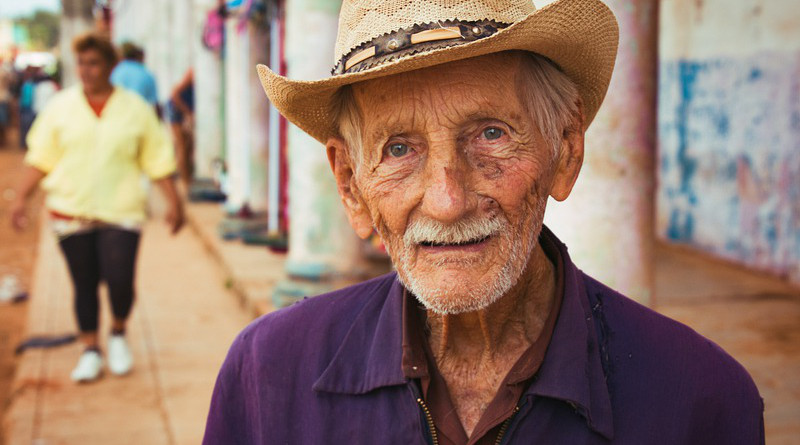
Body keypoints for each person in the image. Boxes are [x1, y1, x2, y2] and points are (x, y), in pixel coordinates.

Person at [204, 0, 765, 443]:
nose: (448, 201)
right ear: (350, 184)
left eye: (491, 134)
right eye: (399, 148)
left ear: (565, 153)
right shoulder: (268, 375)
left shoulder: (701, 401)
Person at [10, 32, 184, 383]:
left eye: (94, 63)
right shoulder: (60, 108)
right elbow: (41, 157)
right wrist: (20, 198)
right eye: (82, 64)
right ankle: (91, 349)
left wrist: (174, 202)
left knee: (120, 280)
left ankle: (118, 333)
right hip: (70, 211)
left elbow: (156, 159)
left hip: (121, 210)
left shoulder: (134, 109)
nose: (87, 71)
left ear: (110, 66)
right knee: (84, 283)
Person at [110, 42, 159, 112]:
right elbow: (155, 104)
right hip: (139, 115)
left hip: (117, 113)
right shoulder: (147, 74)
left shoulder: (114, 71)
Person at [167, 68, 194, 186]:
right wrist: (187, 112)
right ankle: (184, 183)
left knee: (188, 146)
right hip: (177, 109)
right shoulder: (193, 72)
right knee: (182, 146)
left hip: (185, 110)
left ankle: (186, 179)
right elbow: (174, 94)